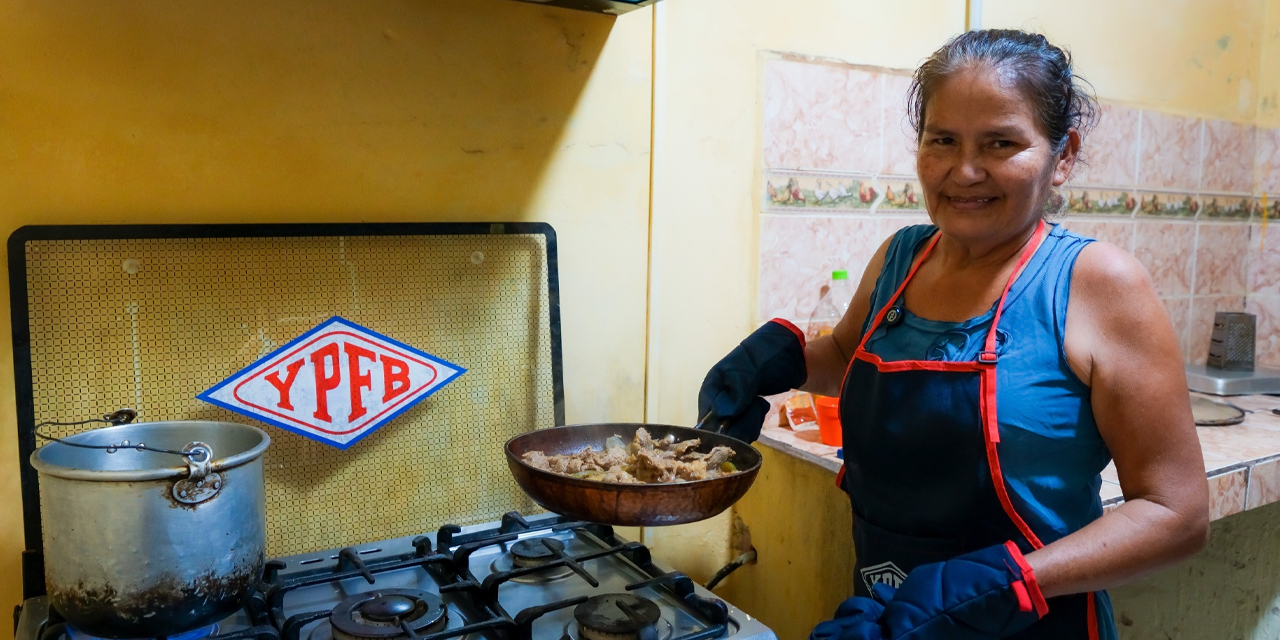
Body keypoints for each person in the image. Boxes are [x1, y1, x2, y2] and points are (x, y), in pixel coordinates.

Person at [698, 30, 1209, 639]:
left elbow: (1176, 514)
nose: (964, 172)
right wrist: (782, 362)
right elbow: (845, 356)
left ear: (1062, 155)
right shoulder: (902, 256)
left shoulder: (1097, 284)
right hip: (884, 619)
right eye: (942, 140)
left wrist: (1018, 582)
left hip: (1034, 622)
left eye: (1001, 143)